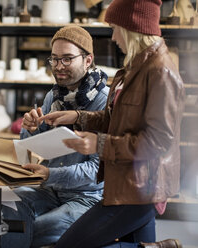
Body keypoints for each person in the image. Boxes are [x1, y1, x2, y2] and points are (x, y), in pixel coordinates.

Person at [38, 0, 186, 247]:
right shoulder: (133, 67)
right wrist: (78, 117)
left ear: (133, 28)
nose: (114, 36)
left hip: (141, 189)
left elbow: (159, 142)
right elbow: (117, 118)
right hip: (126, 181)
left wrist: (100, 144)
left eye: (116, 27)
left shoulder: (160, 72)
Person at [0, 25, 110, 248]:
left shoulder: (104, 101)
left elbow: (96, 170)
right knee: (8, 201)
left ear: (88, 60)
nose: (59, 67)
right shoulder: (54, 95)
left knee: (24, 230)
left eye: (67, 59)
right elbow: (41, 144)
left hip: (86, 198)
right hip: (50, 191)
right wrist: (29, 129)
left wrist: (50, 174)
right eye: (54, 59)